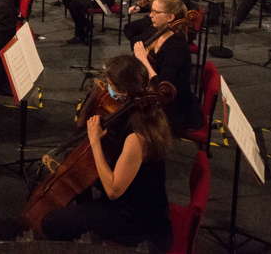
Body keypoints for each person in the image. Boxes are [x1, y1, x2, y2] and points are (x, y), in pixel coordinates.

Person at [40, 54, 172, 249]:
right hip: (131, 197)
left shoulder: (137, 137)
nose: (106, 87)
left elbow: (113, 191)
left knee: (51, 223)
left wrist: (94, 141)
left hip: (135, 217)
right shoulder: (142, 108)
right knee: (80, 188)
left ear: (124, 91)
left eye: (110, 84)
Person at [125, 0, 203, 133]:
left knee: (127, 122)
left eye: (156, 12)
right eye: (151, 10)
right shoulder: (157, 31)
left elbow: (162, 90)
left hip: (171, 107)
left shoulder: (176, 46)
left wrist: (143, 59)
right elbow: (134, 37)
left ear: (170, 17)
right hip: (154, 96)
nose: (150, 15)